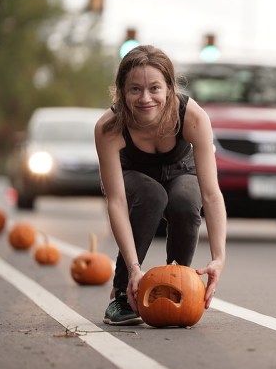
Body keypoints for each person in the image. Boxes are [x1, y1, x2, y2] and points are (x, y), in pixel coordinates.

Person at [94, 45, 226, 326]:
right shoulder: (109, 127)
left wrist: (218, 257)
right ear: (121, 91)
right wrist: (133, 269)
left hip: (182, 169)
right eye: (135, 89)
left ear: (169, 88)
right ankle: (121, 294)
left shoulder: (192, 117)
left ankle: (177, 288)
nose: (145, 98)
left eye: (154, 88)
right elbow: (116, 201)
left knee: (185, 200)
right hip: (133, 174)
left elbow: (211, 195)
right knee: (152, 195)